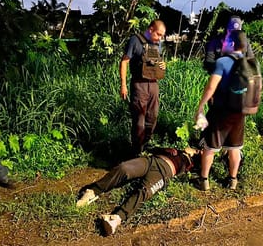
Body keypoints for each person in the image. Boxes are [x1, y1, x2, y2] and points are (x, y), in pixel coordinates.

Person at [76, 146, 201, 236]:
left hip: (163, 174)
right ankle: (92, 191)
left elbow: (199, 163)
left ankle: (116, 219)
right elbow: (154, 149)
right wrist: (172, 150)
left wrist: (192, 155)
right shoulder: (177, 150)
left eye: (200, 152)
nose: (199, 151)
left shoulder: (191, 164)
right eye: (198, 150)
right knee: (124, 168)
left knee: (145, 192)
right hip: (152, 161)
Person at [194, 30, 248, 191]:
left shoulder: (223, 61)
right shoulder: (250, 62)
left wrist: (201, 106)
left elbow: (211, 86)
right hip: (240, 111)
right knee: (235, 147)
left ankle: (204, 180)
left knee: (210, 146)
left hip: (221, 111)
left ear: (231, 44)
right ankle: (233, 180)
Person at [119, 19, 167, 157]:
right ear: (151, 29)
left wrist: (164, 65)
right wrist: (123, 84)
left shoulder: (158, 44)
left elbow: (159, 62)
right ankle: (136, 153)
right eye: (158, 34)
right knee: (139, 122)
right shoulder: (135, 40)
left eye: (162, 35)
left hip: (154, 85)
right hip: (139, 85)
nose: (160, 38)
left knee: (152, 119)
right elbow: (124, 62)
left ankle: (143, 145)